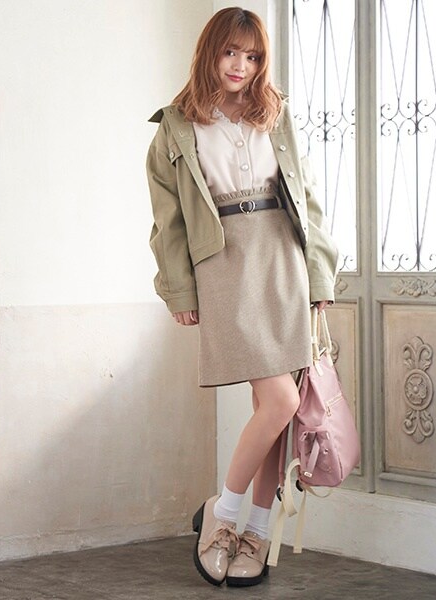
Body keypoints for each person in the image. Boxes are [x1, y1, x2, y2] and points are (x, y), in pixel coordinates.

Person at [146, 6, 338, 589]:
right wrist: (179, 289)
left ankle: (255, 530)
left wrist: (319, 276)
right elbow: (168, 221)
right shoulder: (176, 126)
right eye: (230, 52)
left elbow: (306, 196)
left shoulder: (274, 112)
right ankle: (222, 514)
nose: (240, 66)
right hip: (225, 262)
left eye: (252, 56)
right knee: (279, 400)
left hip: (282, 258)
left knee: (273, 408)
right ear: (210, 52)